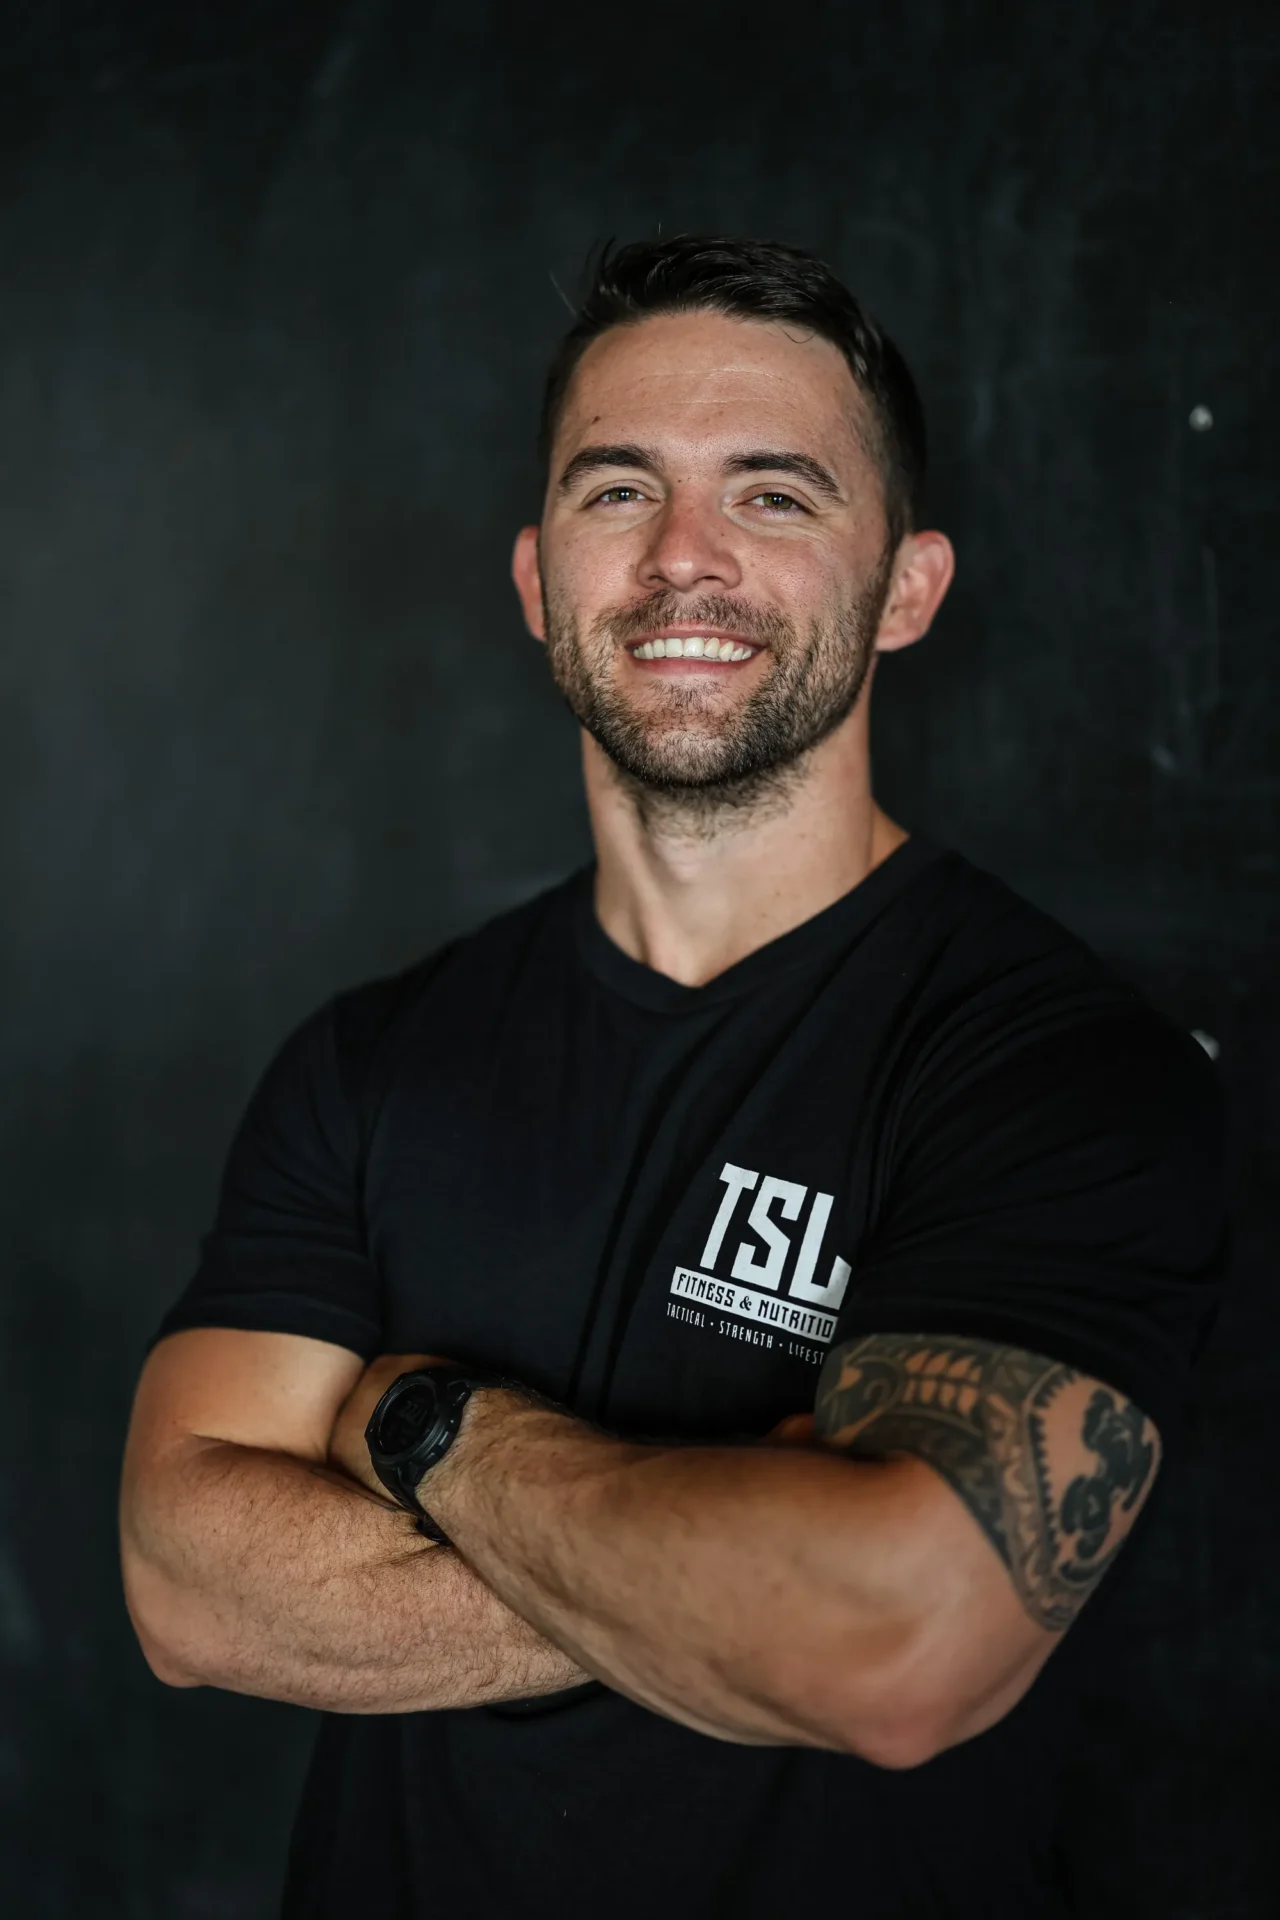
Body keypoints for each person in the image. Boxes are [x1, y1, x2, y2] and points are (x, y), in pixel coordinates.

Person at [120, 235, 1226, 1919]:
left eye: (774, 496)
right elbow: (184, 1589)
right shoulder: (375, 1059)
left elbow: (893, 1647)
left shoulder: (1057, 1070)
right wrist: (744, 1549)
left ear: (909, 587)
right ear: (533, 575)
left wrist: (422, 1428)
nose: (682, 558)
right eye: (617, 490)